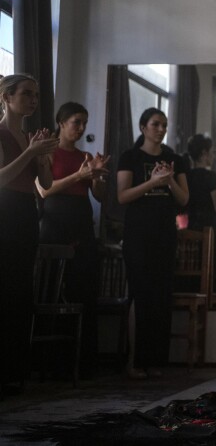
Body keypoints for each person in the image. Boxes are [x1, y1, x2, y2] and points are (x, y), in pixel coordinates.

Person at [36, 102, 110, 377]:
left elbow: (100, 196)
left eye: (84, 123)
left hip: (81, 224)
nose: (80, 128)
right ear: (61, 122)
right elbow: (45, 190)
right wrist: (79, 175)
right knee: (52, 289)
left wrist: (97, 176)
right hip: (55, 224)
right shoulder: (47, 153)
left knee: (84, 289)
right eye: (76, 122)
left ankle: (82, 363)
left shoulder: (86, 156)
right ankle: (47, 363)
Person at [117, 108, 189, 380]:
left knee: (161, 297)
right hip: (138, 235)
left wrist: (168, 180)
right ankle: (134, 360)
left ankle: (156, 360)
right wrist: (151, 182)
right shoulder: (130, 157)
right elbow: (123, 196)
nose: (161, 129)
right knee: (140, 295)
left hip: (165, 236)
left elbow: (183, 200)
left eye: (164, 125)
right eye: (155, 124)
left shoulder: (175, 159)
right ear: (143, 127)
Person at [0, 74, 57, 395]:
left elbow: (46, 186)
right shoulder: (2, 133)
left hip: (26, 214)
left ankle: (14, 371)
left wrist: (44, 159)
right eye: (27, 94)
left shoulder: (29, 136)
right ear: (7, 98)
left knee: (21, 292)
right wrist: (29, 153)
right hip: (4, 211)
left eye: (36, 95)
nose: (34, 100)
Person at [184, 133, 216, 293]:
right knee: (209, 276)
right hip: (209, 232)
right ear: (204, 154)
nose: (214, 156)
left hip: (190, 229)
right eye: (213, 152)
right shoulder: (210, 177)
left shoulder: (186, 176)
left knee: (191, 275)